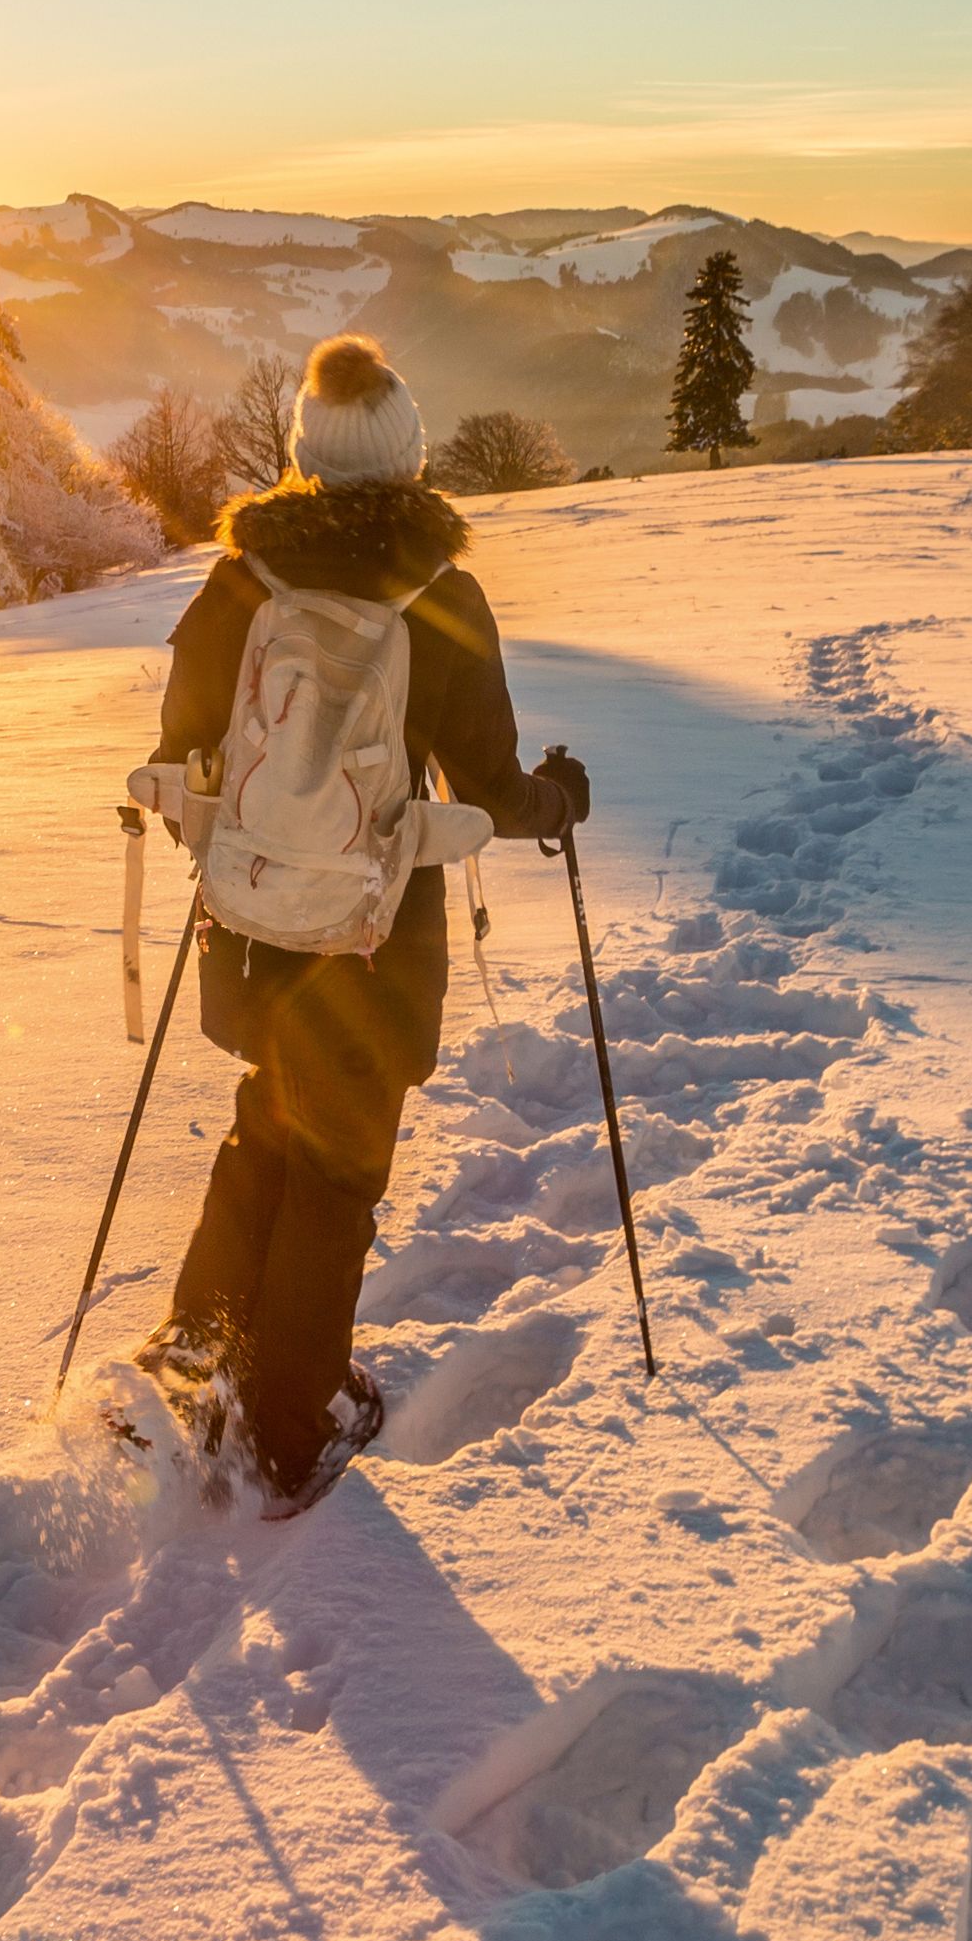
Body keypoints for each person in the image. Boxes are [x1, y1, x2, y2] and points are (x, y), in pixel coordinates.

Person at [137, 335, 589, 1512]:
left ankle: (195, 1354)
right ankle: (293, 1423)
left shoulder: (241, 580)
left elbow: (184, 741)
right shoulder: (440, 593)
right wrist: (560, 798)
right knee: (337, 1173)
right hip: (371, 937)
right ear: (408, 457)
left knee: (265, 1131)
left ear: (303, 456)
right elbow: (486, 790)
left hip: (246, 919)